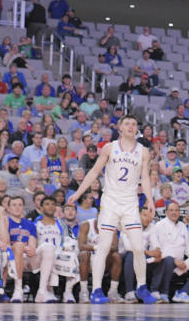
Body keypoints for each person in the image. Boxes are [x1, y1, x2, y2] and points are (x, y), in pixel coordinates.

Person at [67, 115, 158, 304]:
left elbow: (146, 178)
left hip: (130, 203)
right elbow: (94, 172)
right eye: (127, 124)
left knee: (138, 247)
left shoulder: (143, 151)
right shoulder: (110, 147)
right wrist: (78, 192)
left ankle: (142, 287)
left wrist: (150, 199)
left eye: (134, 124)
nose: (131, 126)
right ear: (120, 128)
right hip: (110, 202)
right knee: (103, 246)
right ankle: (97, 290)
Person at [150, 201, 189, 303]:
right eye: (171, 210)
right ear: (166, 212)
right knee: (169, 260)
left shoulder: (182, 226)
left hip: (181, 263)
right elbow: (156, 248)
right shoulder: (159, 225)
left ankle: (183, 293)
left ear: (179, 213)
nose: (174, 212)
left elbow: (187, 248)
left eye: (176, 210)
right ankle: (164, 293)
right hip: (165, 262)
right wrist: (174, 260)